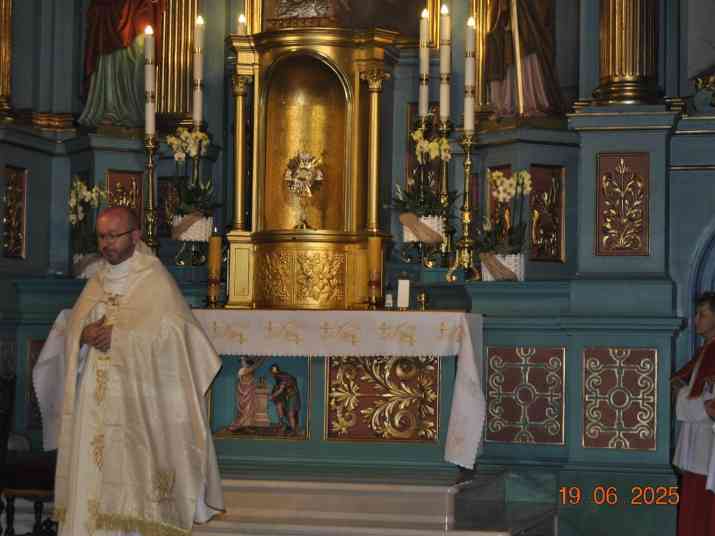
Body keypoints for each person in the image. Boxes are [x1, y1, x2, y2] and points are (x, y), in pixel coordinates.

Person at [36, 206, 224, 535]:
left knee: (130, 483)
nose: (106, 244)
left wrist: (121, 338)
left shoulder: (154, 280)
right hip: (92, 406)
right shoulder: (97, 280)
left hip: (135, 406)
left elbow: (176, 338)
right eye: (101, 237)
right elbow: (73, 328)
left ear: (135, 236)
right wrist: (82, 335)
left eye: (113, 236)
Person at [79, 0, 165, 128]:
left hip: (138, 10)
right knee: (111, 58)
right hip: (108, 12)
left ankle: (133, 111)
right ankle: (110, 108)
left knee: (138, 56)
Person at [671, 291, 715, 536]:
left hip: (708, 440)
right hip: (695, 437)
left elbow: (706, 404)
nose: (696, 320)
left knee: (703, 506)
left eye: (703, 315)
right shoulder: (703, 350)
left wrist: (682, 395)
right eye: (697, 314)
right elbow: (680, 381)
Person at [485, 0, 562, 118]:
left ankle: (529, 101)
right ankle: (508, 101)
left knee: (525, 42)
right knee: (505, 47)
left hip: (526, 16)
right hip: (509, 20)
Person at [228, 357, 265, 431]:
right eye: (242, 361)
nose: (242, 362)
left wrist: (259, 359)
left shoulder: (246, 369)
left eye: (243, 361)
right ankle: (243, 425)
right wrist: (262, 359)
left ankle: (247, 426)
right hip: (246, 393)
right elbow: (255, 366)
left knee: (250, 409)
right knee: (247, 410)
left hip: (247, 391)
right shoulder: (244, 370)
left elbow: (253, 368)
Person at [269, 364, 301, 434]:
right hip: (288, 395)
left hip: (292, 395)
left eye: (274, 372)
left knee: (290, 413)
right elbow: (280, 388)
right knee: (283, 408)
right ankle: (285, 425)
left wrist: (272, 396)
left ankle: (293, 430)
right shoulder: (279, 377)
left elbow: (281, 390)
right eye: (273, 372)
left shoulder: (281, 376)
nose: (273, 374)